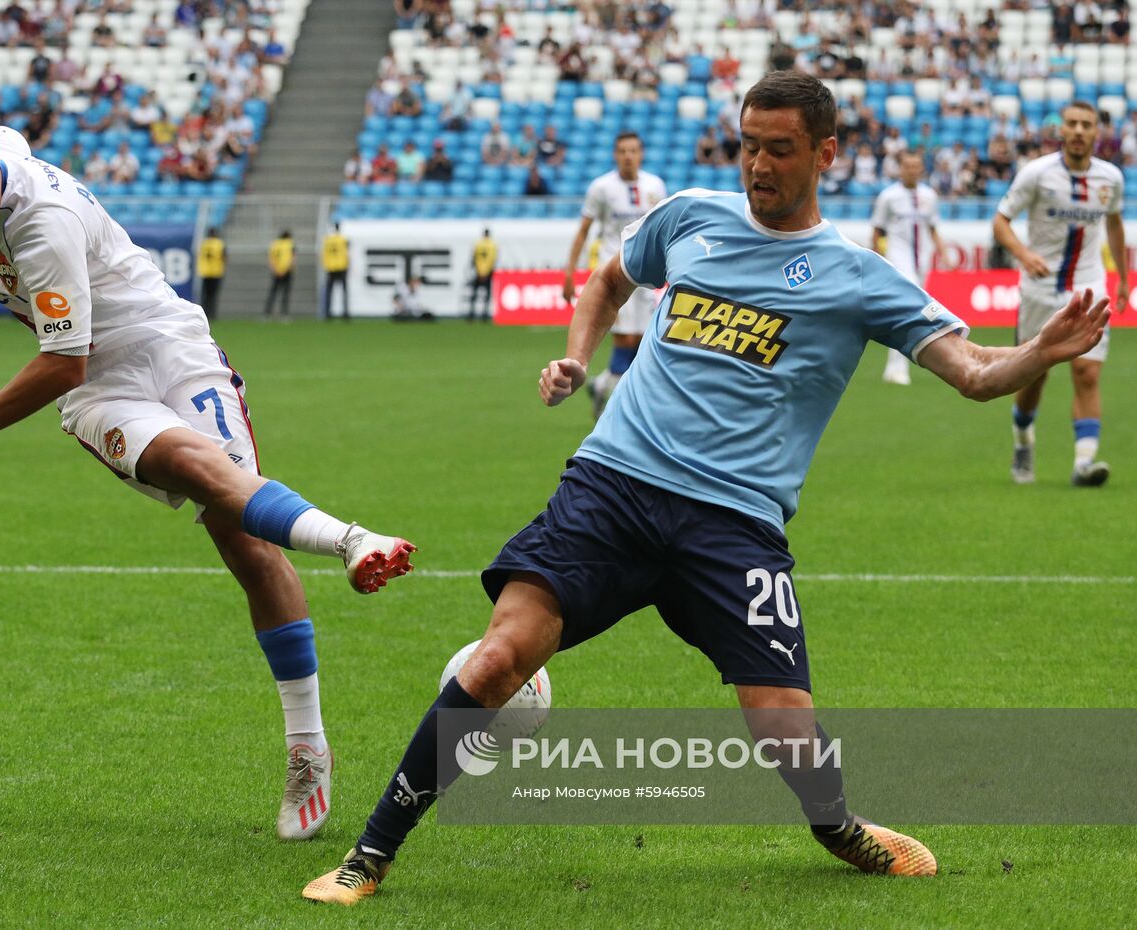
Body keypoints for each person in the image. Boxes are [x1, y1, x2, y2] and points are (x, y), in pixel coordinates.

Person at [302, 68, 1113, 905]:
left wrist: (1039, 354)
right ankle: (370, 856)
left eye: (781, 150)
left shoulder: (859, 276)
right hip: (613, 485)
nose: (758, 166)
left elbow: (976, 373)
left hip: (733, 523)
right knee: (502, 652)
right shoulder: (690, 216)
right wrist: (579, 354)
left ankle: (838, 826)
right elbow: (605, 282)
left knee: (783, 726)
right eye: (748, 146)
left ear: (826, 153)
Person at [0, 96, 417, 842]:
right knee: (207, 480)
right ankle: (349, 555)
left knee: (241, 535)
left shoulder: (37, 222)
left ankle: (311, 729)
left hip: (162, 348)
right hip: (105, 393)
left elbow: (60, 361)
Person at [993, 100, 1128, 487]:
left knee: (1087, 372)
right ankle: (1023, 441)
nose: (1080, 131)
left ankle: (1084, 462)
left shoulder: (1110, 178)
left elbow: (1115, 223)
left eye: (1087, 124)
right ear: (1062, 130)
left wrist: (1120, 276)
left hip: (1089, 286)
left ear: (1096, 132)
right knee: (1033, 379)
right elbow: (1001, 221)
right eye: (1073, 124)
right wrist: (1023, 253)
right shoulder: (1036, 174)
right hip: (1040, 289)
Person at [562, 132, 668, 419]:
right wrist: (570, 271)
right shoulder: (601, 187)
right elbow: (583, 230)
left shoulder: (655, 186)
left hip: (647, 277)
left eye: (633, 150)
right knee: (625, 340)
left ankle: (602, 385)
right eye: (622, 151)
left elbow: (664, 231)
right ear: (615, 154)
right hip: (615, 275)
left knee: (643, 341)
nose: (628, 156)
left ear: (641, 153)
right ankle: (624, 410)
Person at [870, 151, 949, 385]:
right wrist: (879, 259)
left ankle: (896, 367)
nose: (912, 170)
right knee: (908, 311)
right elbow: (877, 230)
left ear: (921, 169)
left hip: (921, 258)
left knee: (912, 312)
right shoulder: (888, 196)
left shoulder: (929, 196)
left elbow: (933, 227)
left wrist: (944, 252)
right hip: (898, 257)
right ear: (900, 168)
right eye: (907, 166)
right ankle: (898, 368)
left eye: (916, 166)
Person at [321, 224, 349, 320]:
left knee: (329, 291)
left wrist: (326, 265)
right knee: (344, 292)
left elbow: (324, 254)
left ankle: (328, 313)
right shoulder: (342, 239)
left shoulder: (327, 240)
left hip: (331, 268)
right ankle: (345, 312)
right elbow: (346, 253)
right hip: (341, 267)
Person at [196, 227, 225, 319]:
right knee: (213, 295)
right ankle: (212, 314)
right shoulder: (219, 244)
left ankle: (205, 313)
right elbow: (224, 257)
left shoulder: (204, 243)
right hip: (216, 271)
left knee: (205, 294)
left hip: (205, 271)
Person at [468, 228, 497, 321]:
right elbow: (492, 260)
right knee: (487, 295)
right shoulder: (492, 245)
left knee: (474, 294)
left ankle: (471, 314)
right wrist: (486, 272)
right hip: (488, 273)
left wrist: (479, 271)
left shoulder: (478, 244)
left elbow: (474, 258)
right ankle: (484, 315)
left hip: (478, 272)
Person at [264, 229, 294, 318]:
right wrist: (286, 269)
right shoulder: (290, 244)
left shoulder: (274, 244)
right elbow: (292, 258)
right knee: (285, 293)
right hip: (287, 271)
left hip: (276, 271)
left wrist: (275, 269)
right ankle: (284, 313)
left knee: (273, 292)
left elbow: (271, 259)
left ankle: (267, 312)